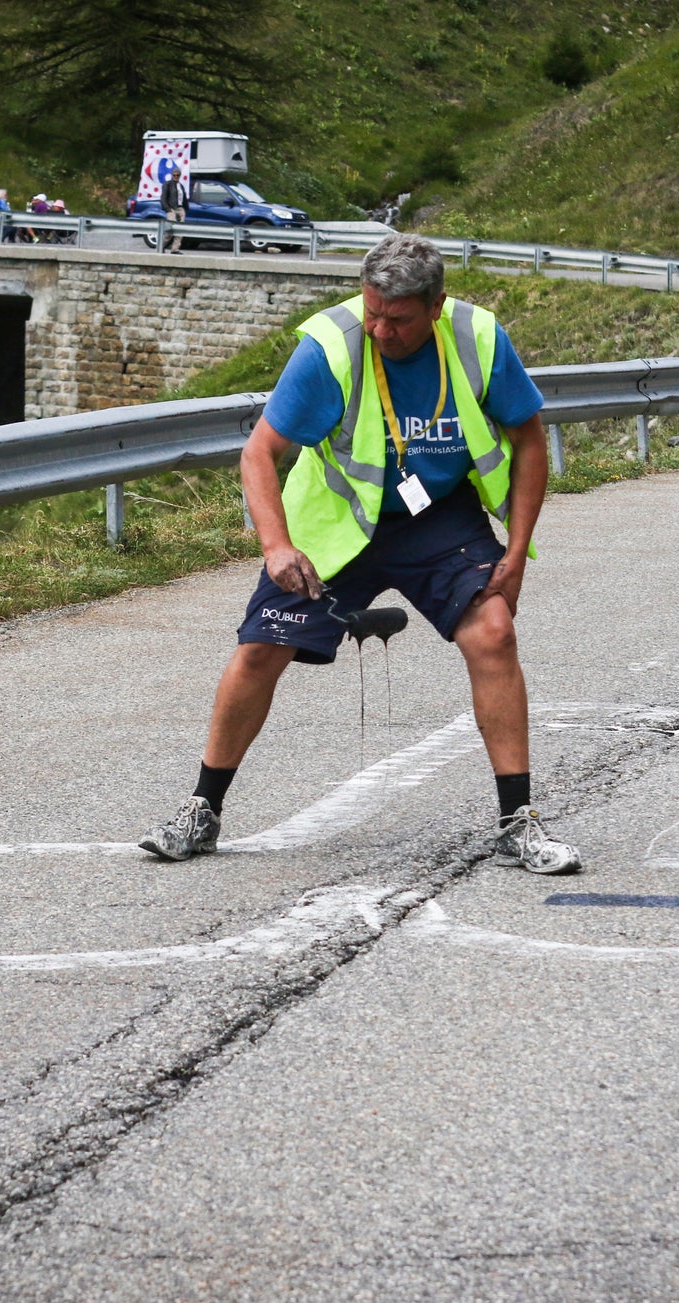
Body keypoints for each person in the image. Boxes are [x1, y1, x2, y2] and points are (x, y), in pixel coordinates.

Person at [138, 234, 583, 875]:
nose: (379, 329)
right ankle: (201, 812)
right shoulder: (330, 347)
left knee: (494, 632)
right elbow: (259, 453)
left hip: (438, 517)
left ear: (436, 305)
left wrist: (514, 554)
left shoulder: (479, 338)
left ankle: (518, 824)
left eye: (396, 319)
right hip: (341, 520)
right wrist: (276, 546)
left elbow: (530, 439)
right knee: (261, 648)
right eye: (371, 310)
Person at [160, 161, 188, 254]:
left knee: (181, 230)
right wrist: (167, 209)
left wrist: (185, 208)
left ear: (180, 176)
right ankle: (161, 245)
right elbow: (163, 198)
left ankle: (175, 249)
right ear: (172, 175)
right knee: (170, 230)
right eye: (174, 175)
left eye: (178, 175)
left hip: (180, 208)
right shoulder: (167, 184)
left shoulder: (181, 186)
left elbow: (184, 198)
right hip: (171, 208)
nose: (176, 176)